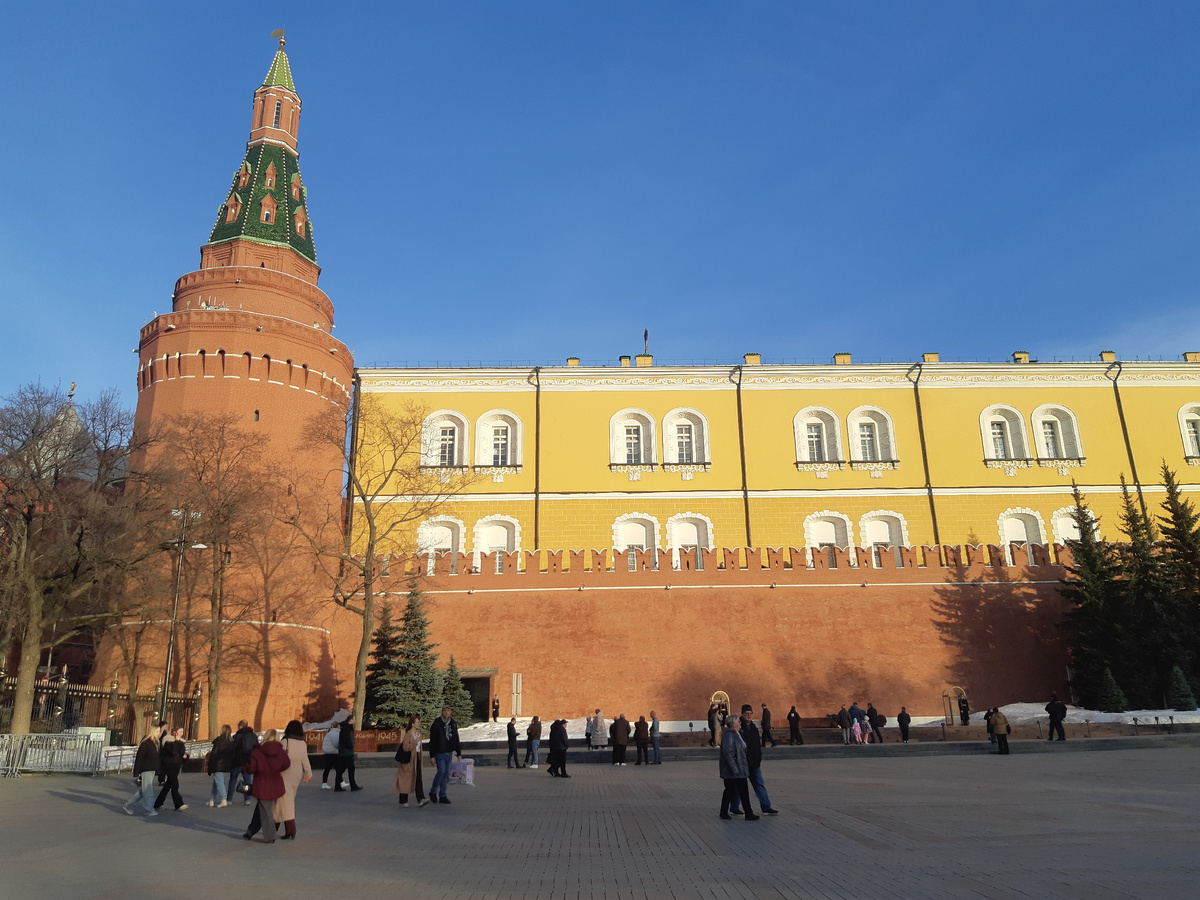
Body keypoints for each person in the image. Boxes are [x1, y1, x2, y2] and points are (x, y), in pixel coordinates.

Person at [243, 729, 290, 843]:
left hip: (262, 784)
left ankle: (270, 836)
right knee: (262, 808)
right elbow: (286, 764)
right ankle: (250, 831)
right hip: (276, 784)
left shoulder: (257, 752)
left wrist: (248, 766)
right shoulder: (281, 751)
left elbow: (251, 769)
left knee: (266, 811)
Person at [730, 704, 778, 815]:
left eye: (750, 713)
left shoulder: (754, 728)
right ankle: (734, 806)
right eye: (746, 713)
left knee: (759, 784)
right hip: (742, 763)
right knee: (739, 786)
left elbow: (757, 746)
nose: (749, 715)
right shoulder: (738, 728)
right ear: (742, 714)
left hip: (754, 763)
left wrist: (758, 759)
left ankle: (766, 806)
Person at [718, 714, 758, 821]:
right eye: (738, 721)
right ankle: (724, 812)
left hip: (741, 768)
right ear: (733, 724)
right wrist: (734, 769)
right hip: (732, 770)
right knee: (730, 790)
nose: (740, 723)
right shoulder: (728, 735)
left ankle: (748, 813)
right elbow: (728, 753)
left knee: (743, 791)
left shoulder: (738, 734)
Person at [275, 720, 312, 839]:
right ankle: (276, 826)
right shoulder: (302, 743)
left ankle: (290, 829)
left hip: (286, 772)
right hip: (297, 773)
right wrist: (308, 772)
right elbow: (305, 759)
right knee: (286, 799)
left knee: (285, 800)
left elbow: (278, 758)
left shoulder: (285, 741)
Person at [124, 723, 166, 817]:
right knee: (148, 790)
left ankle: (129, 805)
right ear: (152, 731)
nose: (159, 733)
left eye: (159, 731)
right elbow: (140, 757)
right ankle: (149, 809)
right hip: (146, 769)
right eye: (157, 731)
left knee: (144, 790)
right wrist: (137, 771)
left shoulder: (156, 742)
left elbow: (158, 757)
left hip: (152, 769)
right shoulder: (146, 743)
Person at [428, 705, 462, 804]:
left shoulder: (452, 723)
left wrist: (459, 753)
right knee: (441, 771)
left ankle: (443, 795)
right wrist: (432, 755)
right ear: (442, 712)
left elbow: (456, 738)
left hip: (449, 752)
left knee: (446, 774)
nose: (446, 712)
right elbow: (433, 740)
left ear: (450, 712)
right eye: (445, 711)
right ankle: (433, 791)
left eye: (448, 710)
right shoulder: (437, 723)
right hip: (440, 752)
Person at [394, 715, 429, 807]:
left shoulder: (419, 734)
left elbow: (419, 748)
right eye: (417, 722)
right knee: (407, 779)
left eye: (418, 722)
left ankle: (421, 798)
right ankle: (403, 800)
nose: (419, 723)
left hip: (417, 758)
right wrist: (415, 742)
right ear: (412, 724)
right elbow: (406, 748)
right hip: (409, 759)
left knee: (418, 778)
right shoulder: (408, 735)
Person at [154, 727, 189, 811]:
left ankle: (158, 803)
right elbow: (173, 752)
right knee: (174, 785)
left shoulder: (180, 742)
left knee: (168, 786)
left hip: (177, 765)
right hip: (169, 765)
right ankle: (179, 804)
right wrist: (177, 741)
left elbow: (181, 753)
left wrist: (185, 757)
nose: (181, 733)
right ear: (175, 732)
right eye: (180, 731)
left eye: (182, 731)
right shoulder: (168, 741)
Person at [228, 719, 259, 804]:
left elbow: (233, 748)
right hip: (248, 761)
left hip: (237, 761)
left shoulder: (237, 736)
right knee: (247, 780)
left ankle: (229, 799)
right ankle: (247, 799)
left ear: (240, 726)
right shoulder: (253, 736)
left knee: (233, 780)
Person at [206, 723, 234, 807]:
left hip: (217, 763)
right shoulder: (231, 741)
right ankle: (212, 799)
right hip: (226, 764)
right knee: (216, 781)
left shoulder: (219, 740)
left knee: (219, 781)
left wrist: (210, 764)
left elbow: (214, 753)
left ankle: (223, 798)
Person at [335, 713, 362, 791]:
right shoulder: (346, 729)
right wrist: (350, 746)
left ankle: (338, 785)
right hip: (346, 753)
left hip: (345, 752)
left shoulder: (346, 728)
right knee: (350, 769)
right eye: (354, 719)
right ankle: (353, 785)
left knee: (342, 769)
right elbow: (346, 739)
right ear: (351, 720)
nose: (355, 721)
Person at [320, 722, 340, 788]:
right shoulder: (335, 733)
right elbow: (336, 744)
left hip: (327, 753)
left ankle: (324, 783)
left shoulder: (328, 733)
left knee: (327, 769)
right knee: (338, 769)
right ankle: (340, 782)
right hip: (333, 753)